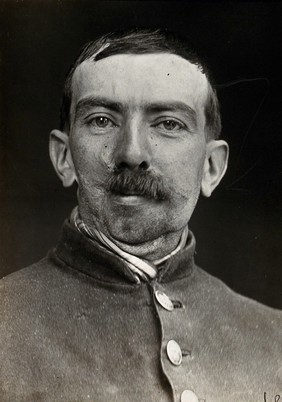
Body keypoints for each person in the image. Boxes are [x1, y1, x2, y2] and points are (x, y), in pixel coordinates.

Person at [0, 29, 281, 402]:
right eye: (102, 120)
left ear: (211, 168)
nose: (132, 152)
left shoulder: (274, 339)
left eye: (168, 124)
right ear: (64, 157)